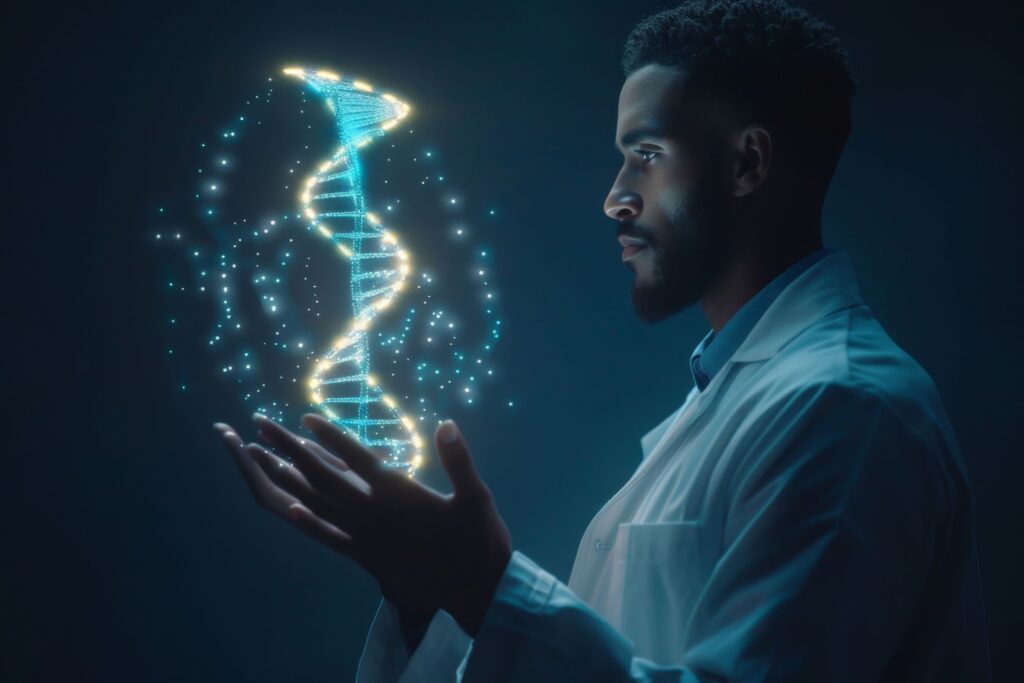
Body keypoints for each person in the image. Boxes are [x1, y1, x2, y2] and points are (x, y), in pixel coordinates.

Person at [215, 1, 992, 679]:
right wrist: (432, 598)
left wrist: (485, 587)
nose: (615, 198)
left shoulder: (846, 411)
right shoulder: (743, 401)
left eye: (645, 157)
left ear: (747, 164)